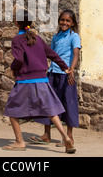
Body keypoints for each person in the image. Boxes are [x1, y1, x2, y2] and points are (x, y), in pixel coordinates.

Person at [2, 10, 76, 154]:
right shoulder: (37, 38)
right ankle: (65, 136)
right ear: (30, 23)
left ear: (16, 23)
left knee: (12, 110)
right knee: (51, 111)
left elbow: (18, 59)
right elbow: (52, 54)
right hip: (42, 80)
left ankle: (19, 141)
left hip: (25, 81)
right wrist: (65, 67)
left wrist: (13, 68)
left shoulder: (17, 40)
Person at [30, 10, 81, 148]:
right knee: (48, 103)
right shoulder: (56, 37)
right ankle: (47, 134)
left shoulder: (74, 36)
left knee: (68, 104)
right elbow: (51, 54)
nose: (64, 23)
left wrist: (71, 70)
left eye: (68, 21)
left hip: (66, 75)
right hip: (53, 73)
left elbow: (76, 54)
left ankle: (69, 136)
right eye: (62, 20)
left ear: (73, 23)